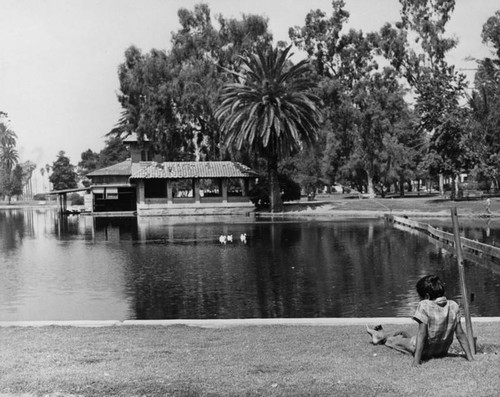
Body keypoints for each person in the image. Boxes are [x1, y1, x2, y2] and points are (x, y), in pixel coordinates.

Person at [366, 275, 474, 366]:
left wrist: (416, 362)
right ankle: (382, 334)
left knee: (394, 341)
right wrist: (470, 358)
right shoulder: (453, 305)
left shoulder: (425, 305)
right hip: (442, 351)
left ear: (426, 296)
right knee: (403, 332)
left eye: (420, 297)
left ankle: (380, 337)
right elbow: (461, 334)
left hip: (425, 352)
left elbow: (422, 334)